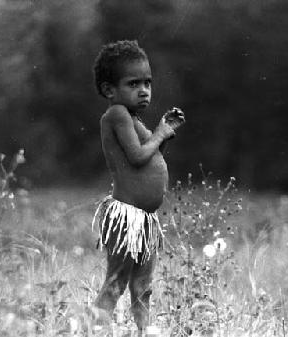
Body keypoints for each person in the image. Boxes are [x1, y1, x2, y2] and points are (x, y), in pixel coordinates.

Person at [91, 40, 185, 334]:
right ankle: (94, 329)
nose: (144, 90)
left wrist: (163, 135)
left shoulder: (133, 119)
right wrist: (160, 132)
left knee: (143, 284)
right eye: (133, 83)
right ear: (110, 90)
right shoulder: (117, 114)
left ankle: (144, 331)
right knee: (117, 282)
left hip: (145, 221)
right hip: (127, 218)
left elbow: (150, 158)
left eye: (148, 82)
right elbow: (137, 155)